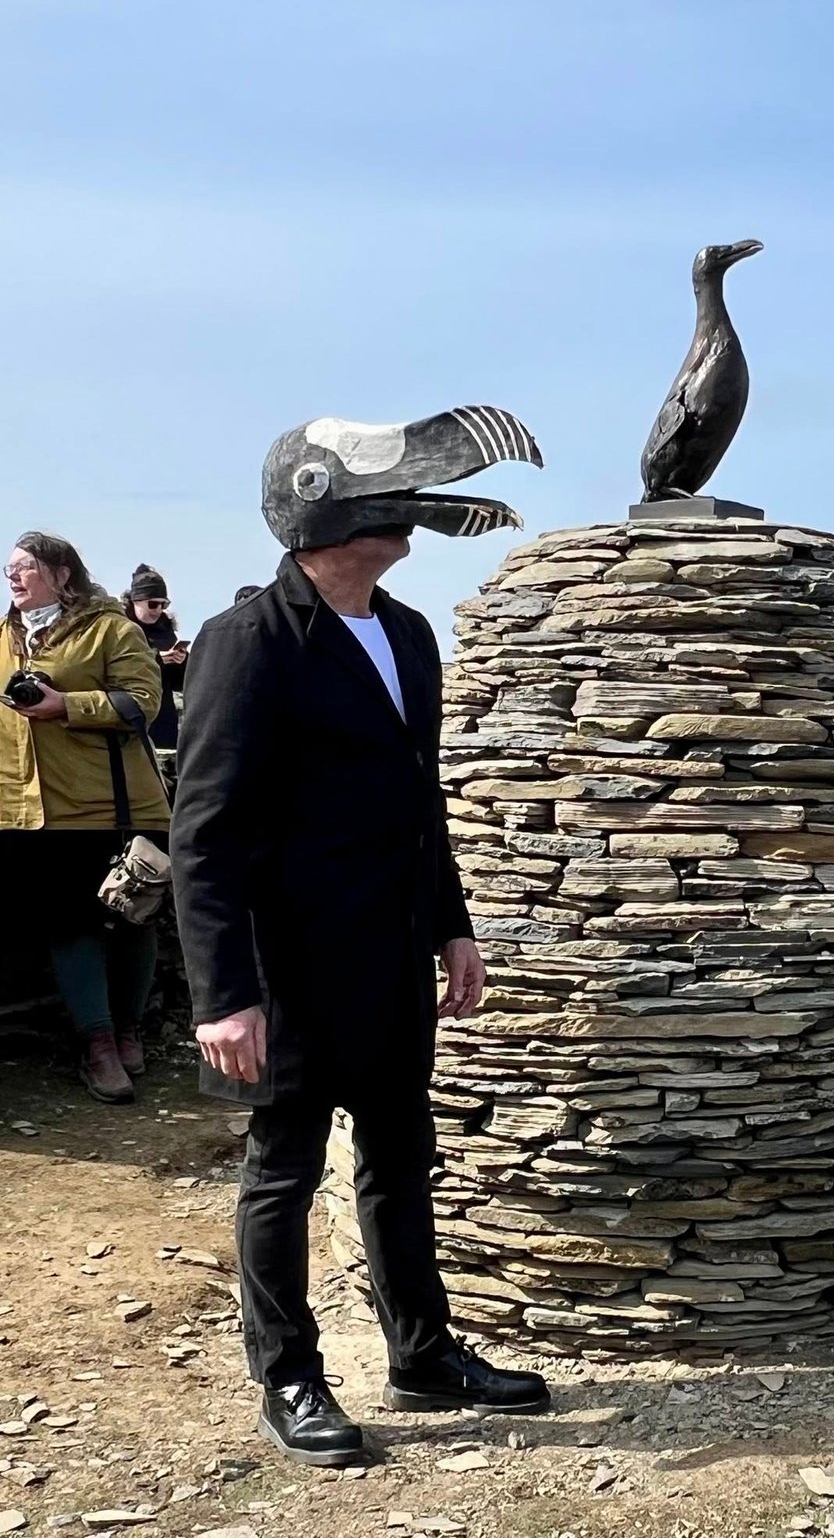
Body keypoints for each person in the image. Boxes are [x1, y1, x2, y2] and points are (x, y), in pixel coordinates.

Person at [172, 402, 549, 1467]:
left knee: (398, 1158)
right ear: (324, 511)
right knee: (283, 1173)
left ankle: (422, 1353)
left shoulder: (409, 632)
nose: (409, 518)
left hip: (389, 958)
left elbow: (418, 803)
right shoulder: (246, 642)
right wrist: (220, 995)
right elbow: (205, 831)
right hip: (285, 970)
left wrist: (454, 927)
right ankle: (289, 1376)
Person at [1, 532, 169, 1102]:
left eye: (24, 567)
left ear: (62, 573)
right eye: (9, 568)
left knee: (132, 918)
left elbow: (144, 702)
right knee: (68, 924)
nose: (12, 576)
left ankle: (129, 1030)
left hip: (116, 805)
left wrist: (65, 705)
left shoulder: (110, 628)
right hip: (34, 811)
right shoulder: (4, 637)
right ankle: (98, 1044)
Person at [122, 564, 187, 757]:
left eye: (163, 604)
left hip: (164, 720)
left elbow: (179, 682)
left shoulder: (165, 630)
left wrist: (180, 662)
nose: (158, 609)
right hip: (131, 719)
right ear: (135, 601)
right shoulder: (119, 628)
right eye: (152, 604)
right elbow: (121, 666)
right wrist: (157, 659)